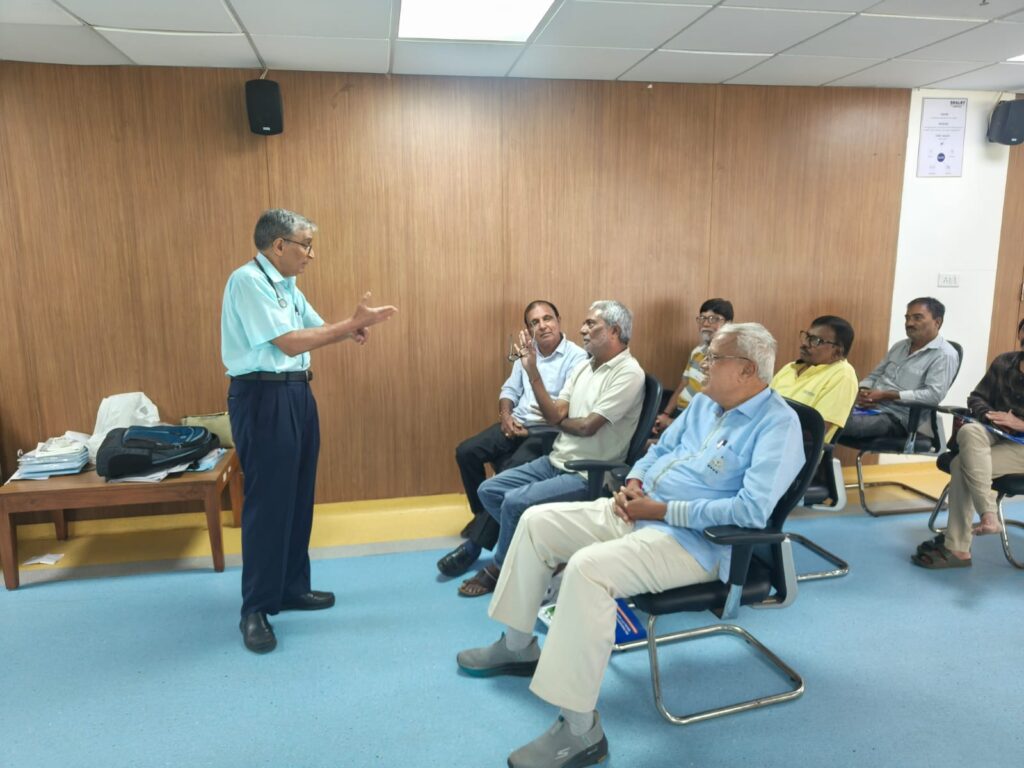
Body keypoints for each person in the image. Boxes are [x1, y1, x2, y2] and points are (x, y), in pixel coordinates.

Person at [456, 323, 803, 768]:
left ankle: (580, 732)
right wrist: (635, 482)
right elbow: (658, 450)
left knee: (587, 570)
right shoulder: (704, 404)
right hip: (638, 510)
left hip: (693, 542)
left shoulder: (778, 426)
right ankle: (518, 645)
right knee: (537, 522)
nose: (703, 365)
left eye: (714, 358)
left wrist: (662, 511)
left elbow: (751, 511)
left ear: (747, 370)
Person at [221, 208, 397, 654]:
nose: (311, 255)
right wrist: (347, 327)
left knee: (298, 493)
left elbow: (315, 329)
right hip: (261, 397)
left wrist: (351, 330)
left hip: (297, 393)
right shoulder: (247, 281)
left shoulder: (288, 286)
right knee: (267, 501)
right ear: (279, 245)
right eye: (306, 245)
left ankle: (291, 587)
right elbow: (288, 342)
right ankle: (255, 608)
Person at [455, 300, 645, 598]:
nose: (582, 329)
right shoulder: (585, 366)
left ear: (614, 330)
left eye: (591, 324)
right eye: (584, 323)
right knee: (488, 491)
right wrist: (532, 372)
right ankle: (537, 551)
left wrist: (559, 420)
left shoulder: (629, 373)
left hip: (587, 472)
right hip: (557, 458)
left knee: (514, 503)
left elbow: (587, 427)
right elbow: (556, 413)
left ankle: (500, 567)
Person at [437, 301, 587, 578]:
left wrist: (530, 426)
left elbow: (564, 410)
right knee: (466, 452)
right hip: (516, 422)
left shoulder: (577, 358)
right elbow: (509, 389)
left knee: (506, 473)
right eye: (534, 322)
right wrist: (505, 415)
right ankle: (484, 517)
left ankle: (474, 546)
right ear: (528, 329)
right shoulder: (526, 352)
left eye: (547, 318)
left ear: (559, 320)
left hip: (544, 431)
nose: (543, 326)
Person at [912, 347, 1024, 568]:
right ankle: (987, 515)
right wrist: (991, 417)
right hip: (995, 432)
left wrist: (1020, 424)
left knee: (961, 464)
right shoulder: (1004, 361)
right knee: (969, 431)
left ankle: (959, 546)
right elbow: (977, 397)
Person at [844, 297, 959, 441]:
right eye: (907, 318)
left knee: (837, 424)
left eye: (917, 318)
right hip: (869, 408)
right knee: (825, 414)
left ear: (937, 322)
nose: (909, 323)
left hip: (899, 418)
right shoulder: (900, 346)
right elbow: (874, 376)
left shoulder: (945, 355)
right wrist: (864, 392)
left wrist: (886, 395)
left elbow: (933, 396)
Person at [651, 298, 734, 438]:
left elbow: (713, 415)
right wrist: (665, 415)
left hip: (698, 423)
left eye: (714, 319)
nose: (706, 324)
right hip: (679, 412)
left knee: (645, 445)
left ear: (729, 324)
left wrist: (671, 423)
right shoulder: (697, 352)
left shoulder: (730, 359)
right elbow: (683, 385)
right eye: (702, 318)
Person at [770, 315, 858, 441]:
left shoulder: (842, 375)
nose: (805, 344)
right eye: (807, 337)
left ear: (837, 351)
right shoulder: (790, 368)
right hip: (764, 437)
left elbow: (814, 433)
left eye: (816, 341)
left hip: (793, 447)